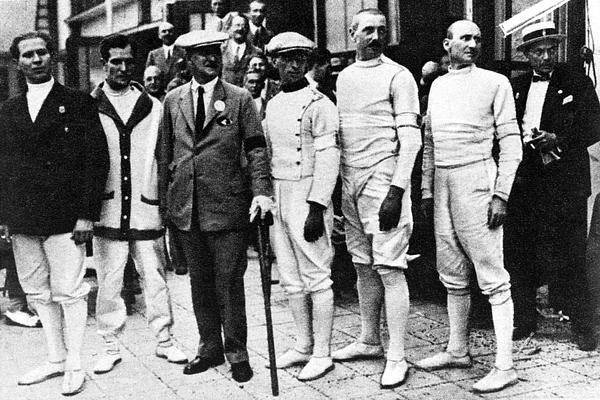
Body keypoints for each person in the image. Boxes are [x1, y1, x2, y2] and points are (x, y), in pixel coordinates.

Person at [157, 30, 273, 383]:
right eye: (202, 53)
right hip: (187, 208)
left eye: (215, 53)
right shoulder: (173, 100)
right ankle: (209, 348)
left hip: (227, 208)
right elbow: (165, 155)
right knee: (200, 284)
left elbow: (256, 148)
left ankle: (237, 352)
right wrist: (166, 208)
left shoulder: (239, 98)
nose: (211, 59)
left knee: (229, 283)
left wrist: (261, 192)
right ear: (188, 60)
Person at [415, 20, 522, 393]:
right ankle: (457, 350)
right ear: (447, 44)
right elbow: (430, 141)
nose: (473, 43)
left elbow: (511, 143)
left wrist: (501, 194)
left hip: (477, 179)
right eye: (465, 38)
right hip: (443, 184)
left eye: (477, 38)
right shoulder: (438, 85)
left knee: (492, 275)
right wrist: (427, 190)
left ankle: (505, 365)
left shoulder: (495, 82)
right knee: (452, 273)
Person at [0, 31, 109, 396]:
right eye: (28, 55)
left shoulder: (77, 102)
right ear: (18, 63)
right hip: (24, 218)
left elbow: (96, 160)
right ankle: (55, 358)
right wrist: (4, 218)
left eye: (42, 53)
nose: (36, 60)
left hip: (66, 217)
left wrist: (87, 215)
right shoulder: (9, 110)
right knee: (37, 292)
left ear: (52, 57)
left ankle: (75, 363)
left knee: (70, 292)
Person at [332, 8, 421, 389]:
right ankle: (369, 339)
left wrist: (396, 192)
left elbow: (411, 139)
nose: (375, 36)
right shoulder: (345, 77)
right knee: (362, 264)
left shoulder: (399, 76)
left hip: (384, 182)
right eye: (367, 30)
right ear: (352, 34)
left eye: (382, 30)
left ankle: (397, 356)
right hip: (350, 181)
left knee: (390, 267)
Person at [90, 34, 188, 375]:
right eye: (115, 61)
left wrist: (163, 202)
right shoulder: (90, 105)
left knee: (155, 277)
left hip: (146, 207)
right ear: (103, 63)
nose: (122, 67)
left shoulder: (152, 106)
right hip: (108, 208)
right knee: (109, 280)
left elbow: (165, 157)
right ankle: (109, 345)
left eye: (128, 61)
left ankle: (165, 340)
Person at [506, 21, 600, 350]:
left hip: (565, 181)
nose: (546, 57)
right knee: (521, 250)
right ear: (527, 55)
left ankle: (583, 326)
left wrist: (557, 138)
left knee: (570, 253)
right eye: (538, 51)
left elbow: (594, 126)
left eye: (550, 50)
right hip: (526, 180)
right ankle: (524, 319)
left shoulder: (576, 82)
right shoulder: (516, 86)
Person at [263, 32, 340, 381]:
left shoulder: (319, 103)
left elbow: (328, 157)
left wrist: (316, 206)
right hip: (279, 193)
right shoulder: (273, 103)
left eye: (300, 59)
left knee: (317, 276)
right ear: (274, 62)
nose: (294, 65)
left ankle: (322, 352)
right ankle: (303, 344)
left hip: (308, 193)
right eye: (287, 59)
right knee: (291, 279)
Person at [221, 14, 262, 87]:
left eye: (244, 26)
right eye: (237, 25)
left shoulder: (256, 52)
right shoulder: (221, 49)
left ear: (248, 29)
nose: (240, 29)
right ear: (230, 28)